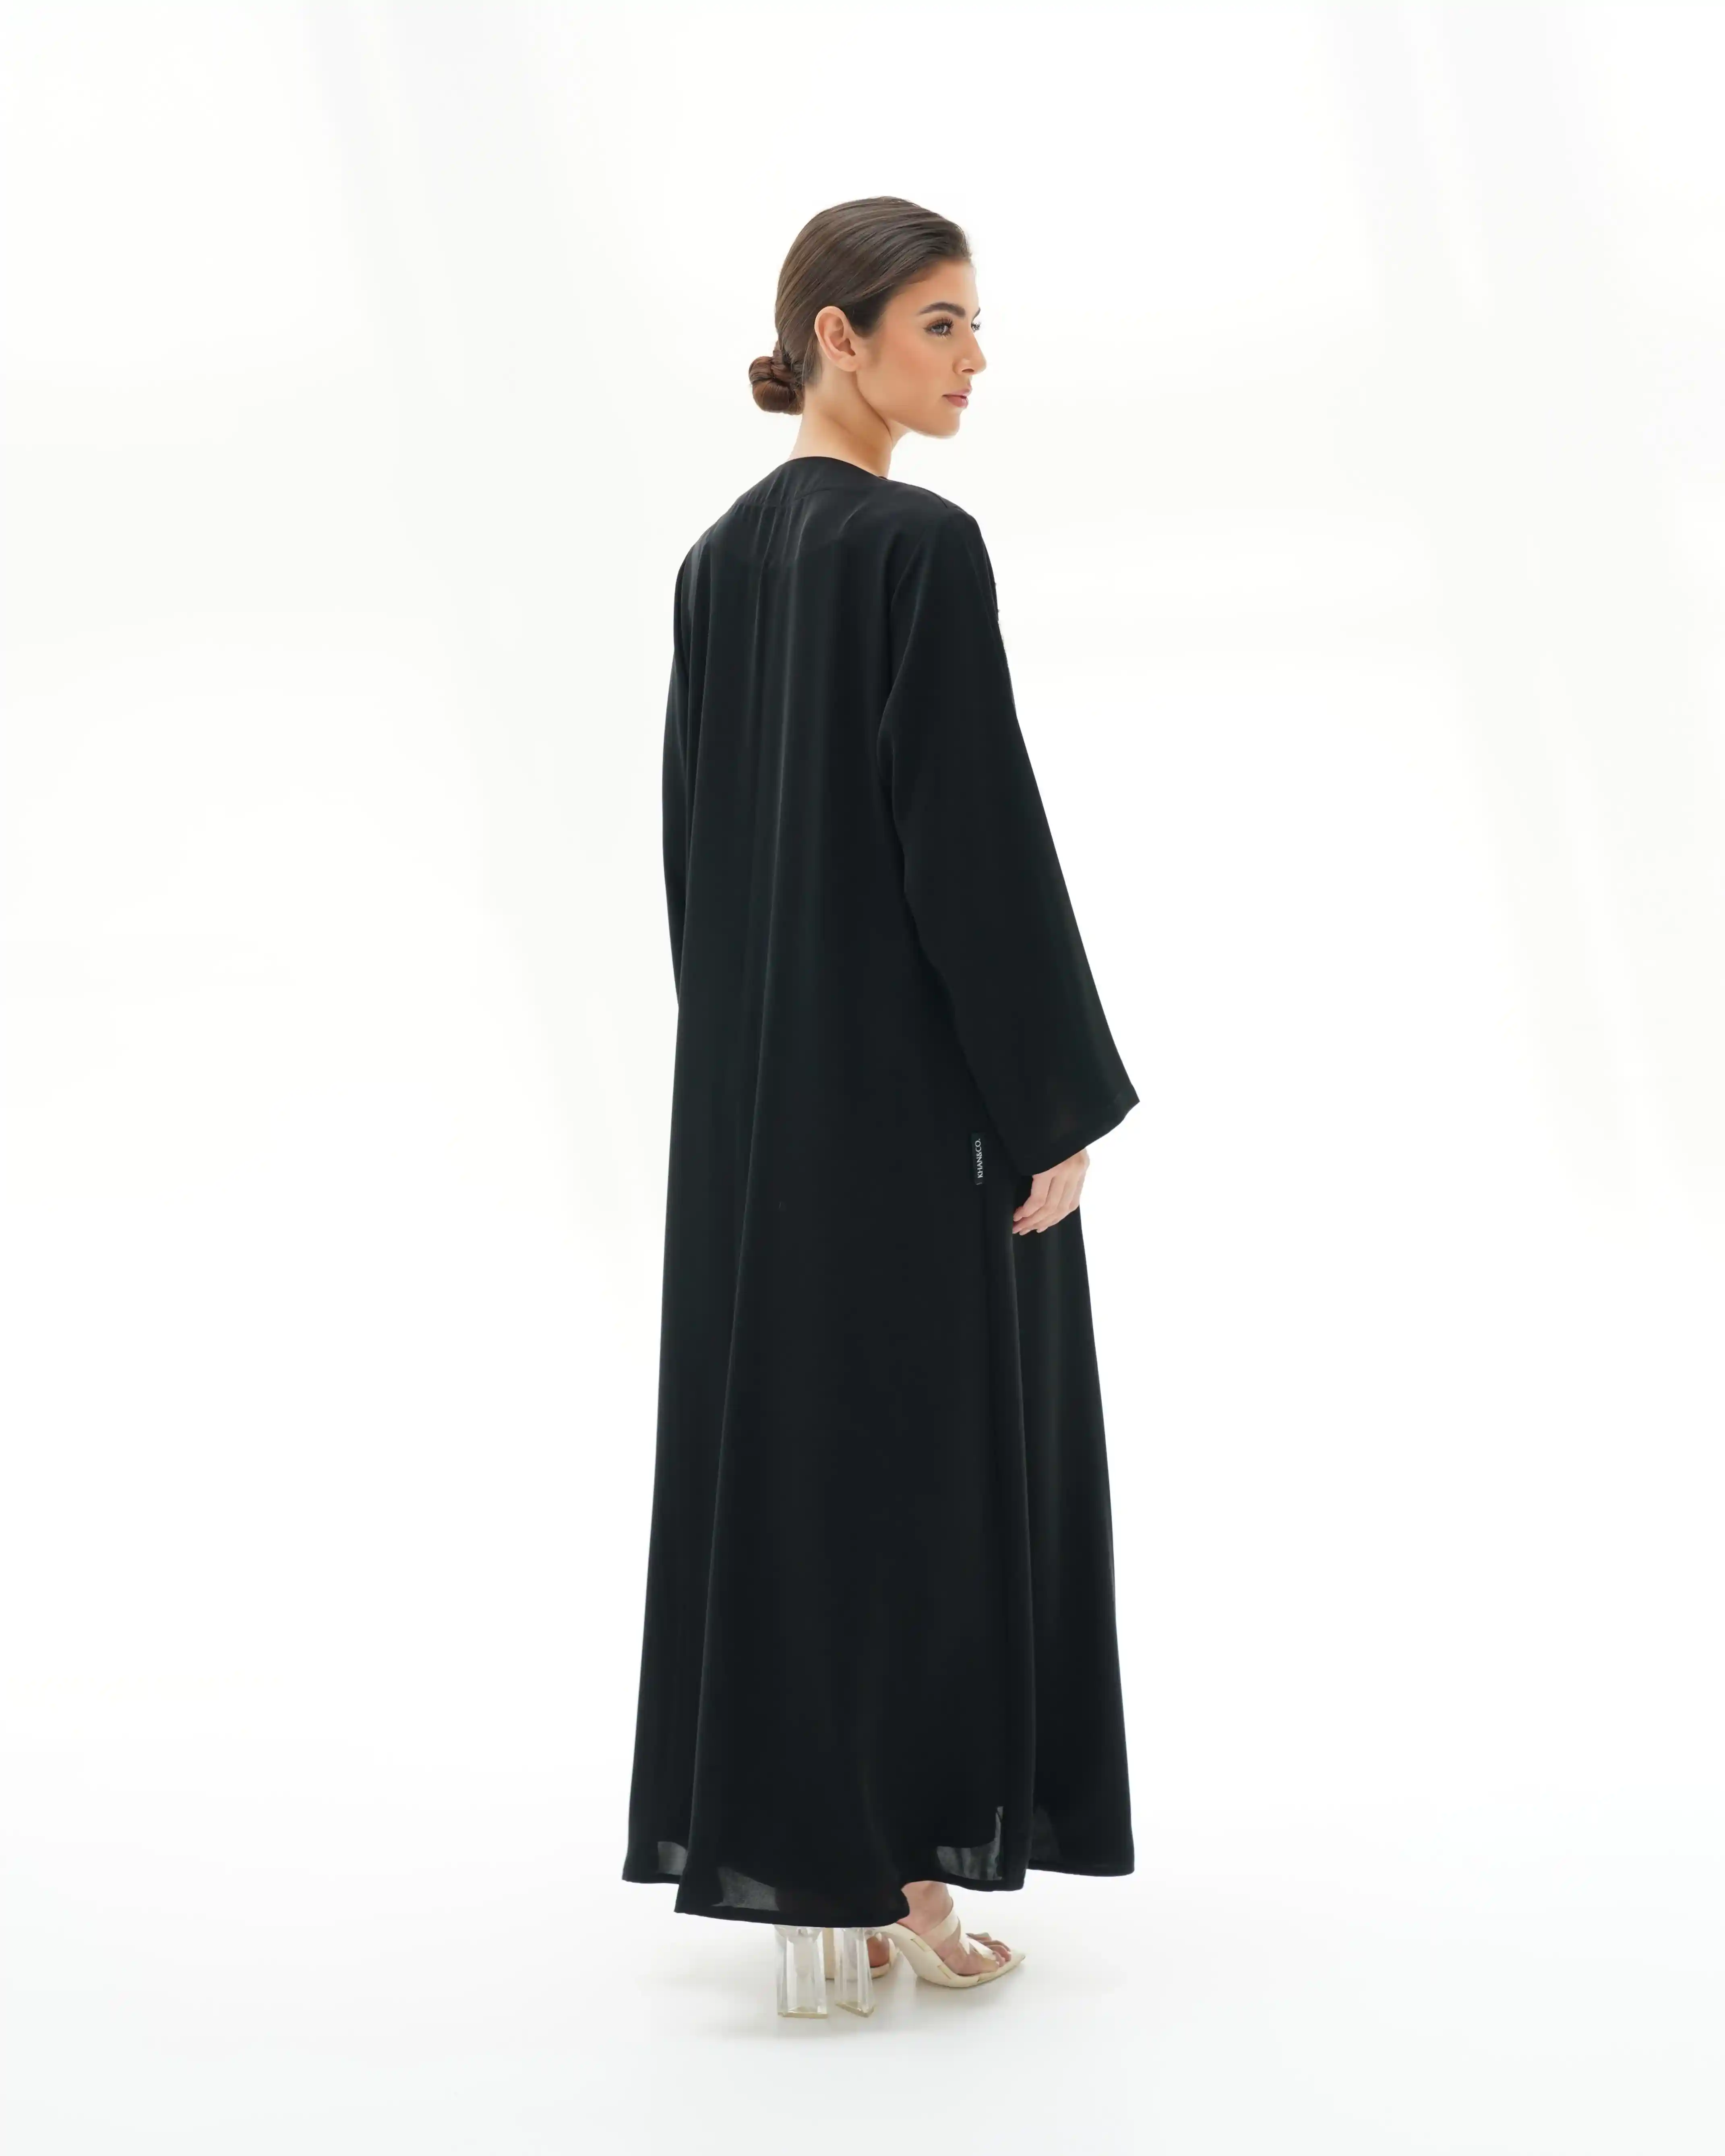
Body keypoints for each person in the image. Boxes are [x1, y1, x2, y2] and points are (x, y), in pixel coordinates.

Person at [621, 197, 1139, 2011]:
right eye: (941, 323)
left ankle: (831, 1868)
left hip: (762, 1105)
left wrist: (749, 1075)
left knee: (797, 1461)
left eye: (976, 325)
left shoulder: (717, 563)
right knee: (929, 1471)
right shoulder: (919, 546)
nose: (974, 358)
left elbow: (693, 864)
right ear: (835, 338)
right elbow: (970, 847)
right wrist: (1047, 1100)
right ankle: (902, 1869)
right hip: (916, 1110)